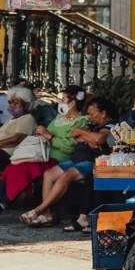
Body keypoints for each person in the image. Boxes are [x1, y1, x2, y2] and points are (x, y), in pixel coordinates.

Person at [21, 96, 115, 228]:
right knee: (49, 174)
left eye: (91, 114)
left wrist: (83, 133)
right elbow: (75, 136)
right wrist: (87, 137)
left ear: (103, 113)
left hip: (91, 161)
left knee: (65, 177)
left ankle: (38, 210)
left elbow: (99, 139)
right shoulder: (93, 124)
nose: (89, 117)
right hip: (76, 158)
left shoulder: (111, 125)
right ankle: (47, 215)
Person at [0, 87, 38, 171]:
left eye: (16, 103)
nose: (12, 105)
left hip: (7, 154)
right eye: (10, 102)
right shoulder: (12, 119)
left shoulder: (27, 118)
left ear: (27, 105)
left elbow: (17, 139)